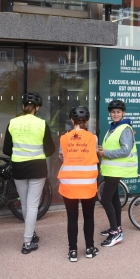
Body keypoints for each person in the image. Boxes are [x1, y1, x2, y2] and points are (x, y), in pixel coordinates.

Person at [3, 92, 55, 254]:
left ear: (23, 106)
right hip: (37, 167)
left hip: (19, 167)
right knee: (33, 204)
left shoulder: (12, 122)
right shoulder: (41, 123)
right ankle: (27, 241)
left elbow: (6, 149)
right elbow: (50, 149)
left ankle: (31, 232)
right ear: (37, 108)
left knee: (25, 203)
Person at [58, 106, 99, 262]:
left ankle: (73, 251)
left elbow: (62, 157)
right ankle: (89, 249)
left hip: (69, 184)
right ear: (86, 120)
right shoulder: (93, 137)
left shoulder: (64, 137)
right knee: (88, 217)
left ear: (71, 120)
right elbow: (94, 153)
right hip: (88, 184)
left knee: (72, 218)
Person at [98, 99, 137, 247]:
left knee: (105, 200)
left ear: (123, 113)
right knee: (114, 200)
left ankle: (115, 233)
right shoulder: (114, 127)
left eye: (118, 112)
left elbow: (125, 150)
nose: (115, 114)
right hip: (110, 169)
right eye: (113, 112)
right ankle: (117, 227)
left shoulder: (124, 128)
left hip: (116, 170)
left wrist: (105, 152)